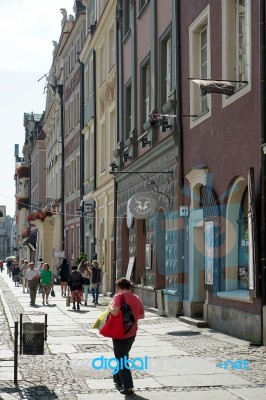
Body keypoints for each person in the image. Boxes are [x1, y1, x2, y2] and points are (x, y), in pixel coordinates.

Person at [109, 277, 145, 396]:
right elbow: (141, 316)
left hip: (120, 332)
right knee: (123, 356)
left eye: (117, 288)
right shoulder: (136, 298)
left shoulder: (118, 297)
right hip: (132, 332)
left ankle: (128, 386)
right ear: (129, 287)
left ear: (119, 287)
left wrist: (110, 307)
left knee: (122, 359)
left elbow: (114, 312)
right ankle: (117, 378)